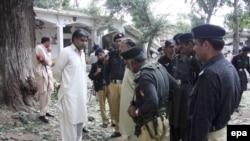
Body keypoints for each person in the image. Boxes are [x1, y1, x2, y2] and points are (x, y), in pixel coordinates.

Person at [189, 24, 241, 141]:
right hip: (221, 130)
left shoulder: (210, 73)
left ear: (206, 45)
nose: (194, 48)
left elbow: (202, 119)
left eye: (196, 44)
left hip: (210, 135)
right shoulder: (228, 66)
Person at [121, 47, 179, 141]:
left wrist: (137, 112)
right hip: (163, 119)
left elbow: (152, 101)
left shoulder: (144, 75)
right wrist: (161, 104)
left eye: (126, 63)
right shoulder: (159, 67)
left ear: (133, 62)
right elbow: (175, 88)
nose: (127, 67)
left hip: (150, 124)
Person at [53, 29, 89, 141]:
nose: (85, 43)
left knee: (80, 121)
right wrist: (64, 84)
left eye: (86, 40)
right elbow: (56, 72)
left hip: (81, 94)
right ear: (74, 39)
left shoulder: (82, 54)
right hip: (69, 94)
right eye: (82, 40)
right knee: (69, 123)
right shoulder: (66, 52)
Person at [104, 32, 126, 138]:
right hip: (113, 84)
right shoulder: (111, 55)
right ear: (114, 43)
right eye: (117, 41)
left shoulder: (129, 54)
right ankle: (118, 129)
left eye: (121, 40)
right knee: (115, 107)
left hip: (126, 85)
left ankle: (127, 129)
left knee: (126, 106)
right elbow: (105, 70)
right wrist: (107, 84)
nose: (119, 42)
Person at [118, 38, 137, 141]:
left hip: (133, 101)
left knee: (134, 128)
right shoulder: (127, 60)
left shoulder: (134, 61)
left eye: (122, 46)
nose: (120, 49)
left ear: (129, 47)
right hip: (127, 98)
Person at [88, 47, 111, 128]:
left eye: (101, 55)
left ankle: (114, 121)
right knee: (102, 105)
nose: (100, 57)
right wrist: (96, 72)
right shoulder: (95, 65)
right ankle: (105, 122)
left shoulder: (109, 63)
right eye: (98, 56)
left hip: (110, 86)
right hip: (100, 87)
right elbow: (90, 76)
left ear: (104, 53)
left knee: (112, 104)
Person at [34, 36, 54, 123]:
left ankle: (45, 110)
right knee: (43, 93)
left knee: (49, 92)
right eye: (50, 42)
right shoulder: (39, 48)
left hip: (47, 74)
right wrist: (49, 53)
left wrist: (48, 53)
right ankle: (42, 114)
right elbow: (47, 62)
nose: (51, 45)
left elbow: (48, 63)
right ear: (47, 42)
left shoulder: (45, 50)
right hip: (42, 74)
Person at [231, 46, 250, 112]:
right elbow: (231, 66)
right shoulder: (236, 57)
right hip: (236, 74)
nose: (246, 54)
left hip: (243, 75)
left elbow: (248, 67)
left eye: (248, 52)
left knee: (241, 90)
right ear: (243, 51)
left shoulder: (247, 58)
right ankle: (234, 105)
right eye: (246, 52)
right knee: (236, 90)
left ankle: (237, 104)